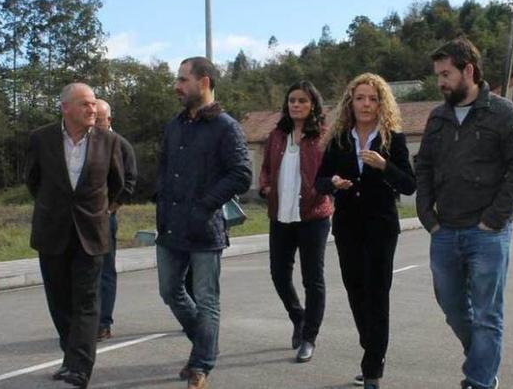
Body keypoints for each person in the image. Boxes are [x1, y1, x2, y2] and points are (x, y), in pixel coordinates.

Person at [416, 37, 513, 389]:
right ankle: (482, 360)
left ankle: (480, 380)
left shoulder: (502, 113)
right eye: (438, 75)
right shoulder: (438, 117)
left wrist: (494, 218)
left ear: (469, 70)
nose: (441, 82)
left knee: (486, 313)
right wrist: (428, 216)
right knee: (453, 308)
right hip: (445, 230)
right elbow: (423, 167)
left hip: (487, 233)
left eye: (447, 74)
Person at [155, 56, 252, 389]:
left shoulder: (227, 126)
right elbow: (164, 171)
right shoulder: (174, 125)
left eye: (183, 80)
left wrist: (206, 204)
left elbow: (241, 174)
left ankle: (201, 365)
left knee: (207, 298)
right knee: (169, 290)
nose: (177, 86)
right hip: (170, 227)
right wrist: (161, 206)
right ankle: (206, 344)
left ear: (204, 82)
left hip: (205, 228)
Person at [315, 73, 416, 389]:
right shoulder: (339, 139)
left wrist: (384, 165)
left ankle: (372, 368)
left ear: (381, 103)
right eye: (360, 98)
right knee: (355, 291)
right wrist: (332, 183)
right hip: (347, 226)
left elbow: (409, 184)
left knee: (377, 294)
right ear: (351, 102)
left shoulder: (392, 139)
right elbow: (319, 181)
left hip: (381, 227)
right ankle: (372, 346)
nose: (366, 104)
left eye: (373, 98)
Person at [24, 83, 125, 389]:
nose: (91, 109)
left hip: (91, 233)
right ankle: (69, 358)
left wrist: (101, 212)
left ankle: (81, 367)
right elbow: (32, 180)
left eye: (93, 104)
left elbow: (117, 184)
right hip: (52, 231)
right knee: (59, 301)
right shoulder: (40, 139)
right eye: (84, 104)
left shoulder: (109, 141)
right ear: (65, 108)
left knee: (87, 302)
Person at [259, 81, 333, 363]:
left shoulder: (325, 136)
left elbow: (332, 172)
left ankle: (309, 338)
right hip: (280, 215)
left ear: (312, 104)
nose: (296, 105)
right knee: (278, 273)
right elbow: (265, 169)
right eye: (292, 100)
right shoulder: (277, 135)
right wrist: (266, 187)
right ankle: (298, 317)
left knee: (312, 279)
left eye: (302, 100)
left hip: (313, 216)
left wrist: (326, 189)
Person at [94, 99, 138, 342]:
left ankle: (104, 323)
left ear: (109, 120)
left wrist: (112, 208)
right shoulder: (84, 141)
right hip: (81, 218)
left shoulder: (121, 145)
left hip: (106, 217)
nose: (96, 125)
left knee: (105, 271)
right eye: (93, 121)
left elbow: (130, 181)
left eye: (99, 120)